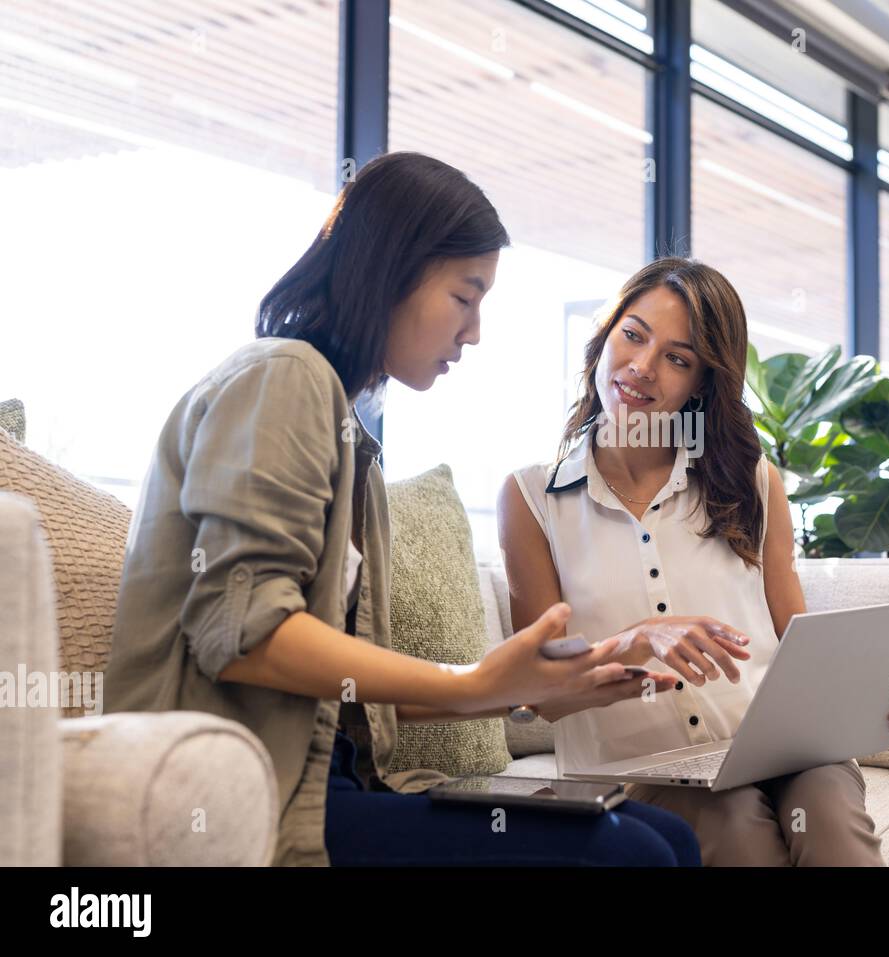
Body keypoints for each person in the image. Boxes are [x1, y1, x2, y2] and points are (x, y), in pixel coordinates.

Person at [104, 153, 702, 867]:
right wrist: (475, 682)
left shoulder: (351, 438)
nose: (474, 331)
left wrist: (519, 683)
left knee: (667, 837)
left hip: (324, 779)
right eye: (465, 295)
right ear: (392, 270)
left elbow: (357, 693)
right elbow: (241, 634)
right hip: (234, 795)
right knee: (629, 854)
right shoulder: (283, 377)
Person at [499, 257, 889, 866]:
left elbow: (799, 644)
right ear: (605, 336)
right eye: (633, 335)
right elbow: (539, 695)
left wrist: (885, 701)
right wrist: (637, 640)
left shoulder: (753, 483)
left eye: (678, 358)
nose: (642, 367)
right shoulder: (530, 499)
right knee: (738, 830)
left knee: (832, 816)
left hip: (783, 749)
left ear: (702, 384)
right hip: (644, 769)